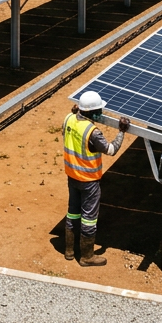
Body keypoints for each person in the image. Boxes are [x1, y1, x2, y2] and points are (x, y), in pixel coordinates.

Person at [62, 91, 129, 267]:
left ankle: (69, 251)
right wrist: (121, 131)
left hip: (72, 176)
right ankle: (87, 257)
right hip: (89, 180)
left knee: (72, 212)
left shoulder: (68, 119)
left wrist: (75, 111)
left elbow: (69, 126)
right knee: (89, 218)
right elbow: (111, 150)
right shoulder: (93, 132)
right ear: (92, 112)